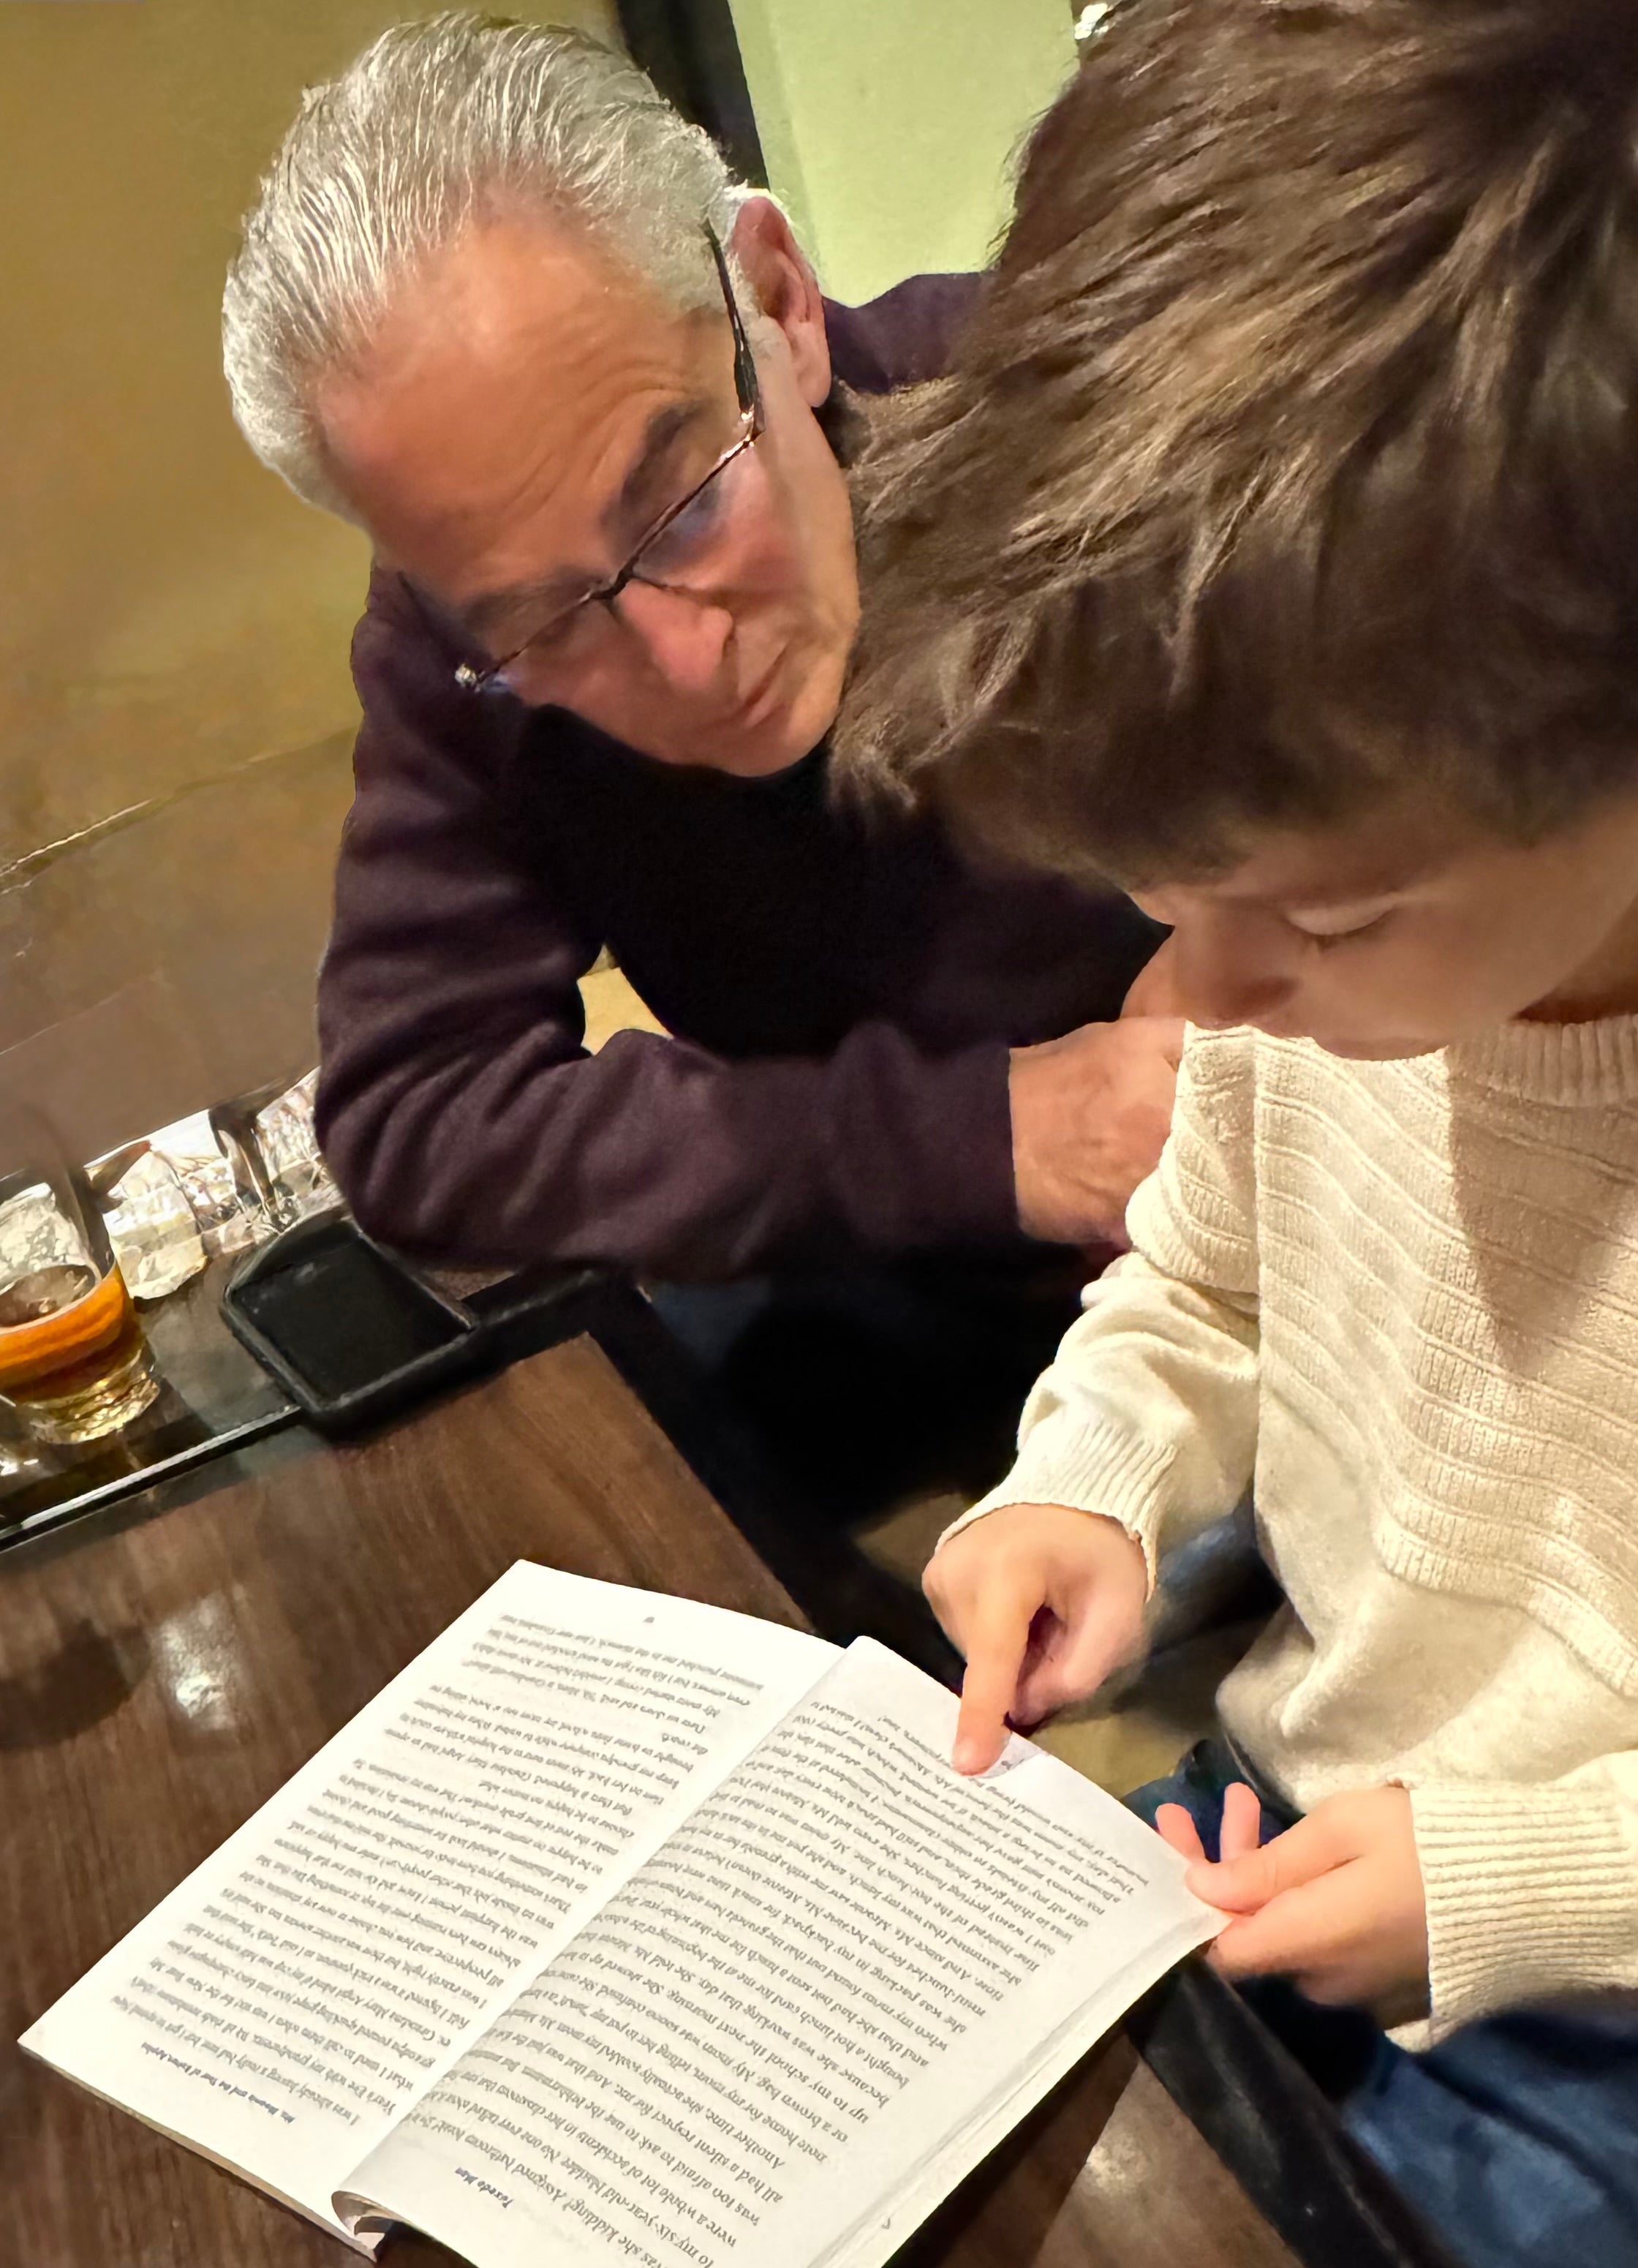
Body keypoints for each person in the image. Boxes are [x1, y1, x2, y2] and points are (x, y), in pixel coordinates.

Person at [836, 0, 1638, 2268]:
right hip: (1299, 1797)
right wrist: (1085, 1478)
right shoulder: (1307, 939)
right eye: (1163, 900)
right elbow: (1199, 1287)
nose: (1206, 996)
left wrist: (1513, 1875)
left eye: (1309, 920)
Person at [221, 14, 1174, 1521]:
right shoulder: (456, 651)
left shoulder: (1069, 397)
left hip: (1287, 1223)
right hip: (917, 1267)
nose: (676, 661)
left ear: (777, 301)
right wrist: (980, 1136)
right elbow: (414, 1113)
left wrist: (1254, 991)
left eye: (681, 504)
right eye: (547, 620)